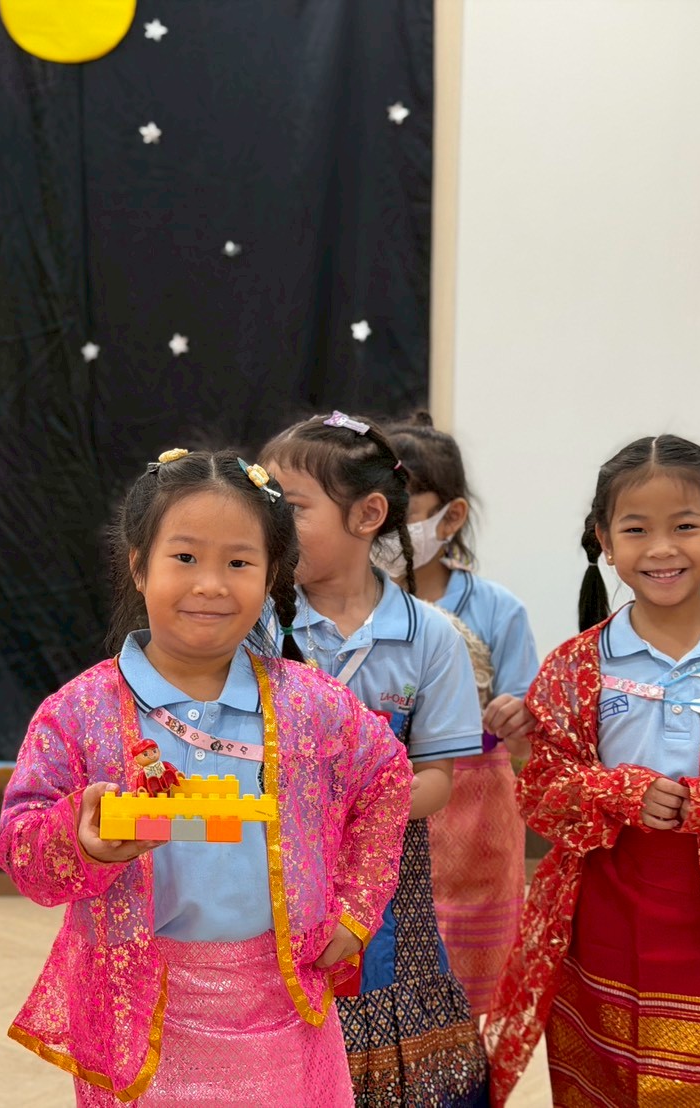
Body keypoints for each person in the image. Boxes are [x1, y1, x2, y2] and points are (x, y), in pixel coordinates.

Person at [0, 447, 411, 1106]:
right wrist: (79, 840)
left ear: (272, 574)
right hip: (134, 1013)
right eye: (185, 557)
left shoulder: (312, 704)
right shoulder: (78, 712)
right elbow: (21, 852)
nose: (211, 585)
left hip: (282, 1011)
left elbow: (387, 776)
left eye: (239, 563)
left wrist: (357, 906)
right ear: (139, 566)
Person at [484, 434, 700, 1106]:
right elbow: (542, 791)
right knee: (605, 1077)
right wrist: (620, 791)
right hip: (600, 910)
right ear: (604, 540)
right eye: (635, 529)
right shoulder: (574, 665)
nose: (660, 549)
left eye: (683, 527)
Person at [261, 412, 489, 1105]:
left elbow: (437, 780)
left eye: (290, 508)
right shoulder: (256, 624)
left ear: (367, 515)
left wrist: (356, 801)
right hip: (273, 876)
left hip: (391, 884)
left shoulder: (431, 638)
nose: (269, 526)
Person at [385, 412, 539, 1016]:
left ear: (449, 518)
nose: (384, 526)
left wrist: (517, 717)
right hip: (383, 798)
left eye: (403, 511)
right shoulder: (346, 608)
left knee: (464, 972)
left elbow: (528, 737)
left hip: (477, 811)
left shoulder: (499, 609)